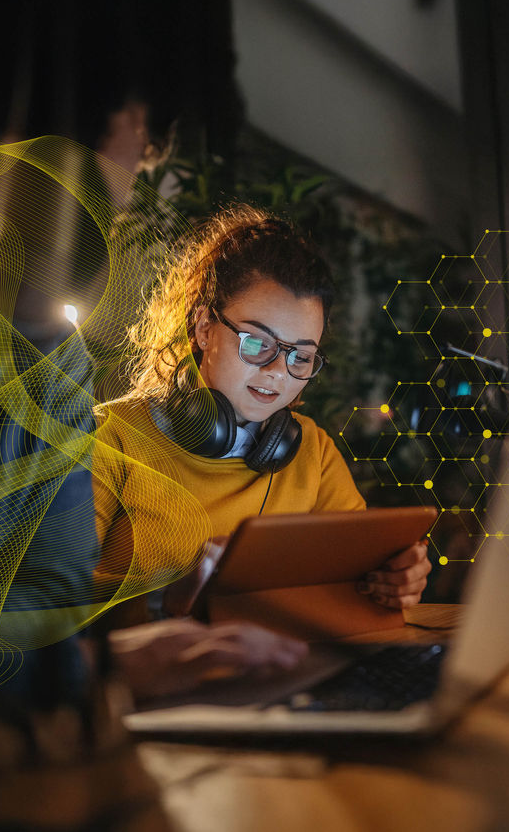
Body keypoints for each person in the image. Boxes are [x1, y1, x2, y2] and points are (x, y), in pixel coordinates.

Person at [93, 205, 432, 689]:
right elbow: (37, 610)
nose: (277, 372)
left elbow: (351, 587)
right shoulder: (110, 436)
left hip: (285, 682)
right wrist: (165, 599)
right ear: (204, 327)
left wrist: (391, 581)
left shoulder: (313, 452)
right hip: (149, 698)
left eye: (301, 357)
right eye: (257, 343)